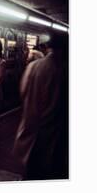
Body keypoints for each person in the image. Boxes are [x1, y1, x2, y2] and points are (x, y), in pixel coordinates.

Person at [13, 33, 69, 179]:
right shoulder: (65, 70)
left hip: (29, 128)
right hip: (53, 136)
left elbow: (23, 92)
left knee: (30, 172)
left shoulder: (33, 66)